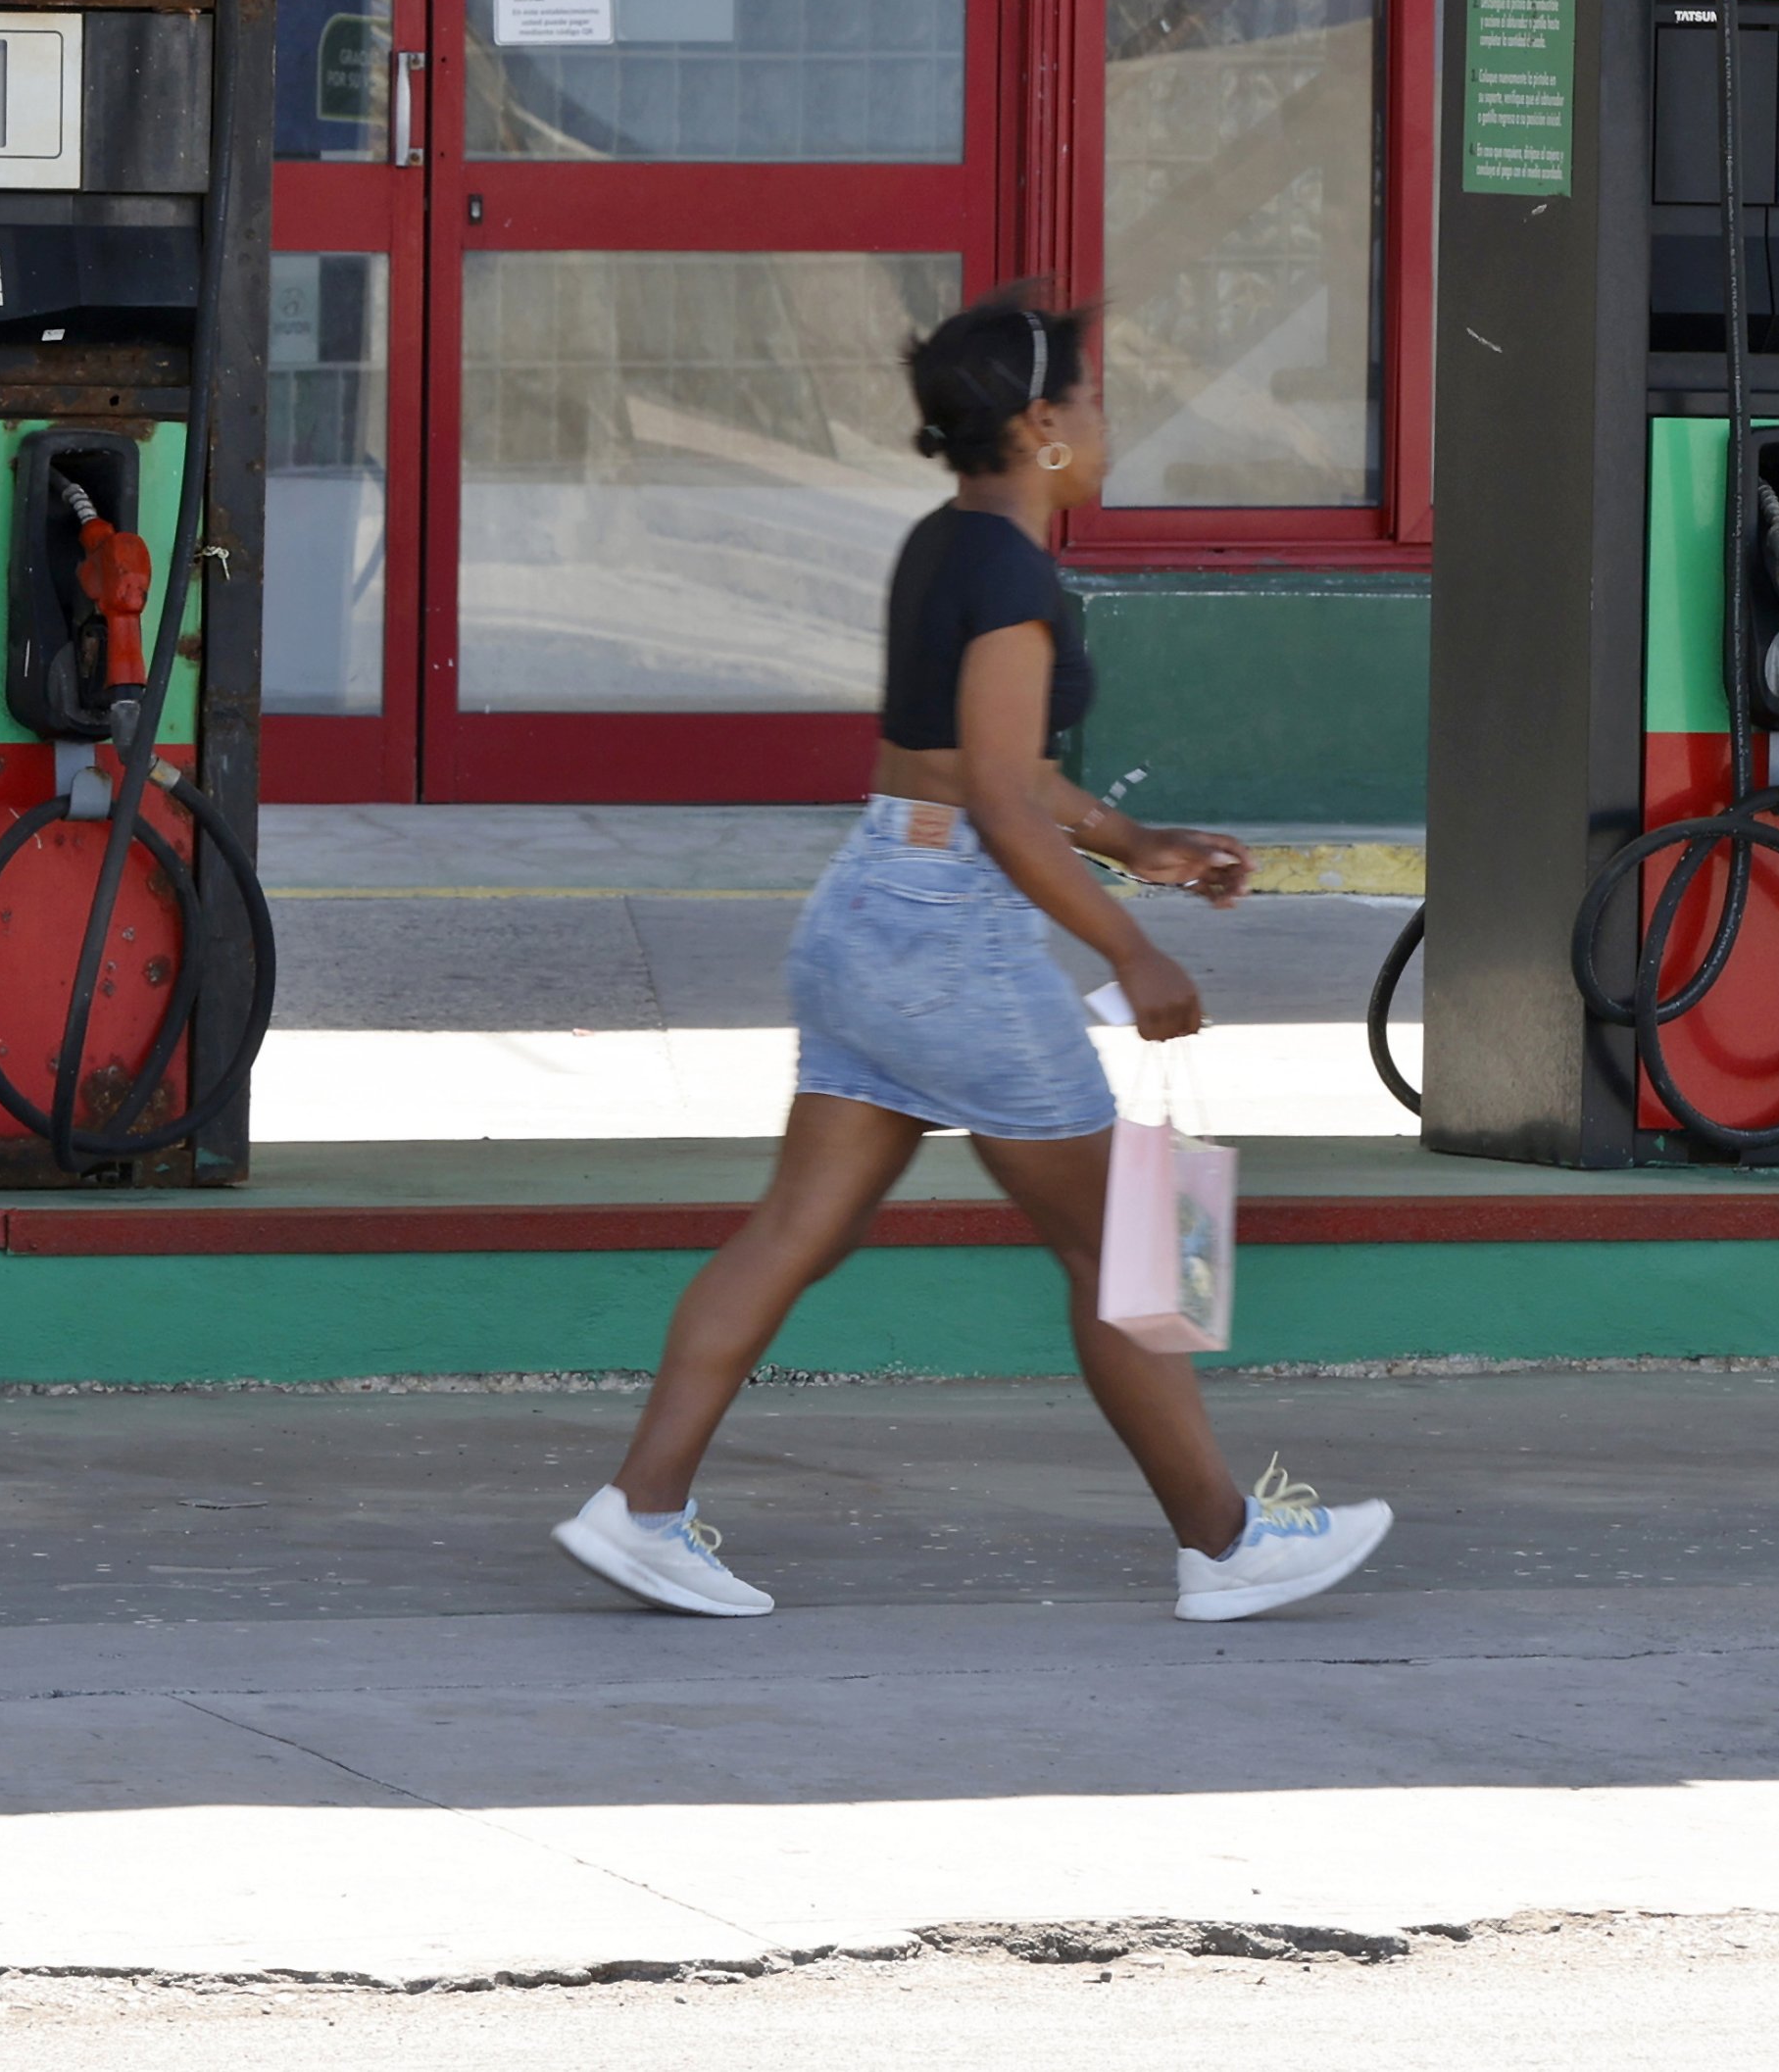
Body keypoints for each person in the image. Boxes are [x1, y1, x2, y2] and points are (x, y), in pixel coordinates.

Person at [554, 287, 1394, 1625]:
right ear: (1042, 426)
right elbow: (1002, 799)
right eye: (1098, 405)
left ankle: (641, 1508)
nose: (1112, 428)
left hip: (869, 907)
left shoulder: (945, 545)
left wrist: (1139, 842)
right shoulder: (1013, 571)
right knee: (1143, 1235)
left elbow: (987, 772)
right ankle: (1229, 1543)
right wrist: (1136, 949)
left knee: (793, 1231)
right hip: (949, 930)